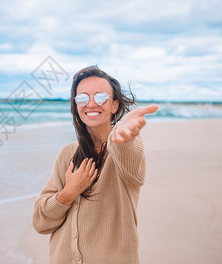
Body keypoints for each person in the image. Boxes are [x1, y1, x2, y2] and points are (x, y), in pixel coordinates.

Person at [33, 66, 158, 264]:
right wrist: (68, 193)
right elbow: (40, 223)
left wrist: (121, 136)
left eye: (100, 97)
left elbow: (127, 152)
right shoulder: (67, 154)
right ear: (76, 106)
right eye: (82, 98)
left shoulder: (126, 148)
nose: (91, 104)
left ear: (115, 106)